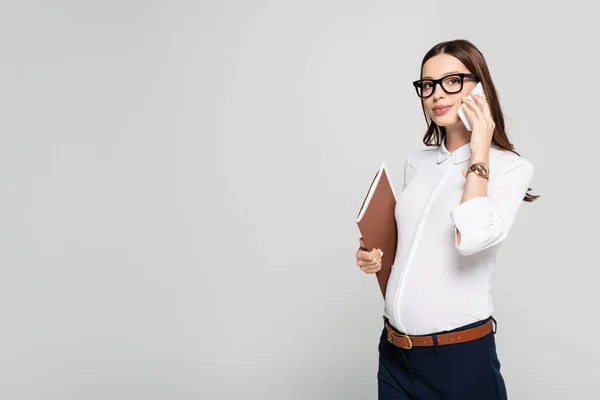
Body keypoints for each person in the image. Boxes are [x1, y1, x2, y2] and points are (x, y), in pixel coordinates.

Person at [355, 39, 539, 400]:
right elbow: (411, 252)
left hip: (458, 360)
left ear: (479, 87)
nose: (437, 94)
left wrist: (481, 146)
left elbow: (469, 238)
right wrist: (372, 257)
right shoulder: (416, 164)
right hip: (394, 355)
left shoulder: (512, 169)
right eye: (428, 85)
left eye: (452, 81)